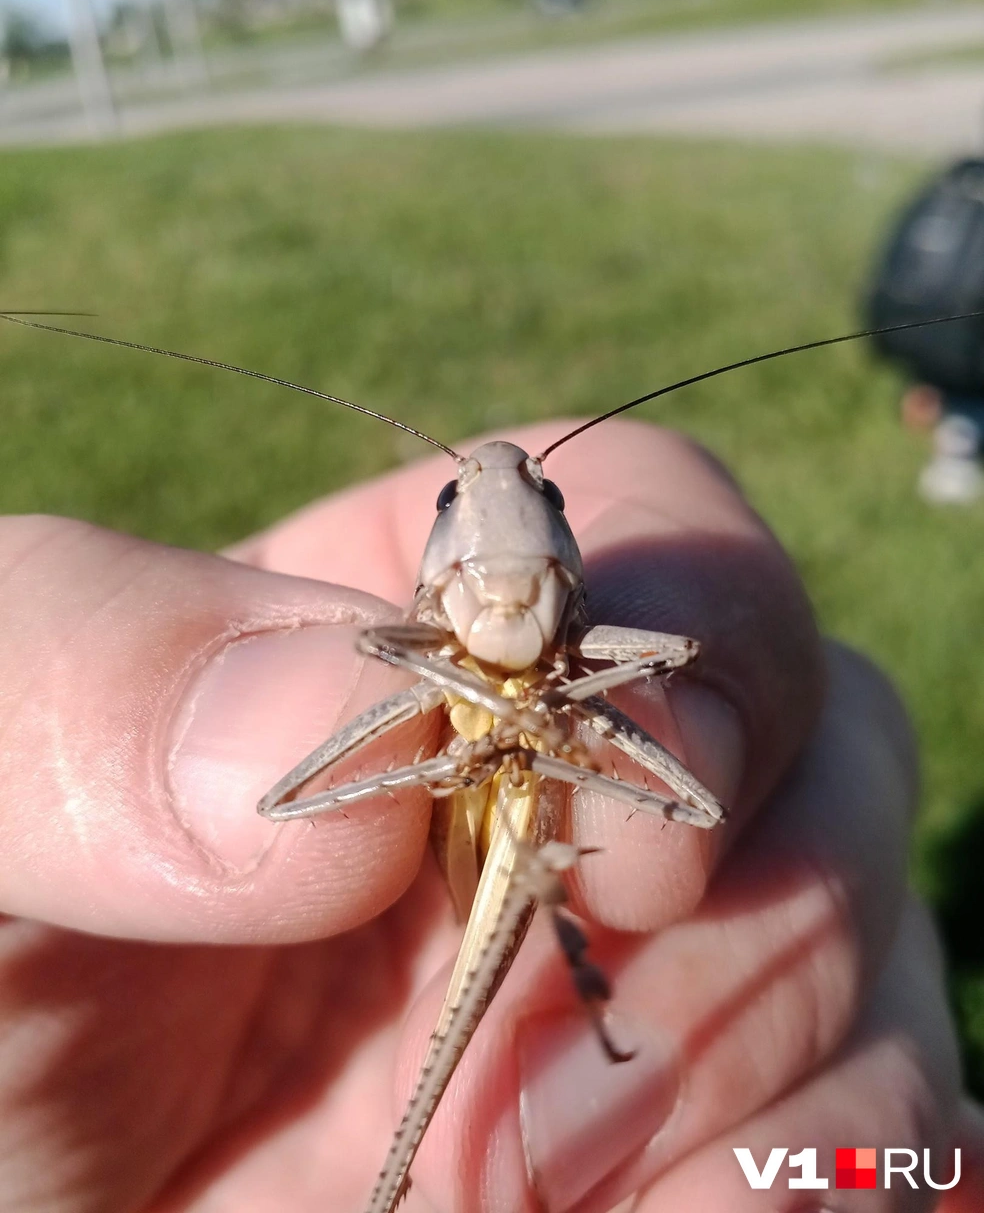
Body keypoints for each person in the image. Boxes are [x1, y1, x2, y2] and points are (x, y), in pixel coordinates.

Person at [0, 419, 980, 1211]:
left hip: (556, 737)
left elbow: (672, 667)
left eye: (543, 498)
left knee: (701, 787)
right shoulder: (416, 617)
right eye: (460, 500)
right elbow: (385, 642)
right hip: (464, 777)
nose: (508, 505)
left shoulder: (587, 611)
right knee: (281, 791)